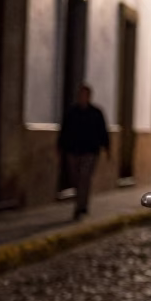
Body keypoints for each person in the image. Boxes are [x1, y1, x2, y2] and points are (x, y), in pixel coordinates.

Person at [57, 83, 110, 220]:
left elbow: (102, 131)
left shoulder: (96, 113)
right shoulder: (71, 113)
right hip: (73, 150)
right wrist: (61, 147)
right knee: (75, 179)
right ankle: (81, 203)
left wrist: (107, 148)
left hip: (90, 151)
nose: (82, 97)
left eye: (84, 95)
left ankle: (80, 207)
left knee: (84, 178)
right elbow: (64, 131)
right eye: (80, 95)